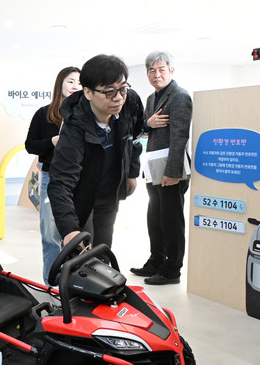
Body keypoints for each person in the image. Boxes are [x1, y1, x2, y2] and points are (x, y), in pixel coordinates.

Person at [48, 54, 144, 254]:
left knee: (103, 249)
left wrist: (132, 173)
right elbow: (60, 182)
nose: (118, 97)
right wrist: (70, 230)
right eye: (109, 91)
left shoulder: (131, 102)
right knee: (81, 251)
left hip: (110, 192)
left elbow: (134, 138)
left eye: (122, 88)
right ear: (88, 92)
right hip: (83, 195)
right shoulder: (74, 127)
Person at [130, 52, 193, 285]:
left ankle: (172, 270)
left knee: (171, 221)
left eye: (161, 69)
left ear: (171, 71)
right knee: (154, 218)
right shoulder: (151, 98)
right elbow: (141, 129)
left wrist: (172, 173)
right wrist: (148, 124)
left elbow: (179, 137)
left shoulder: (179, 97)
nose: (156, 75)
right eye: (151, 70)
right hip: (153, 167)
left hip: (171, 170)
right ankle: (156, 260)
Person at [25, 66, 81, 284]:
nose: (75, 86)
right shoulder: (44, 113)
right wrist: (52, 141)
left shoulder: (86, 115)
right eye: (70, 81)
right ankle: (52, 283)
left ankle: (77, 283)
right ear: (60, 84)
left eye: (79, 82)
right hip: (51, 177)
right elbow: (30, 145)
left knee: (78, 233)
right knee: (50, 233)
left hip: (81, 179)